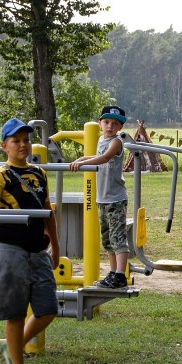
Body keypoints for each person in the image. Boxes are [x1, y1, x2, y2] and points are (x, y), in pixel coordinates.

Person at [0, 118, 59, 364]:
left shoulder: (40, 173)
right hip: (9, 249)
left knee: (48, 309)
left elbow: (48, 213)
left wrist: (56, 247)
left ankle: (12, 347)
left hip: (38, 249)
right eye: (16, 141)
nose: (23, 145)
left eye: (26, 140)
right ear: (5, 145)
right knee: (15, 314)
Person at [69, 105, 130, 289]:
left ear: (120, 127)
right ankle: (112, 273)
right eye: (106, 122)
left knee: (118, 237)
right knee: (108, 239)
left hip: (115, 199)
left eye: (115, 123)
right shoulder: (101, 140)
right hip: (102, 198)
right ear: (100, 123)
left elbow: (104, 158)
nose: (110, 126)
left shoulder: (116, 142)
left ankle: (120, 275)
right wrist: (81, 159)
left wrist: (82, 164)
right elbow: (97, 155)